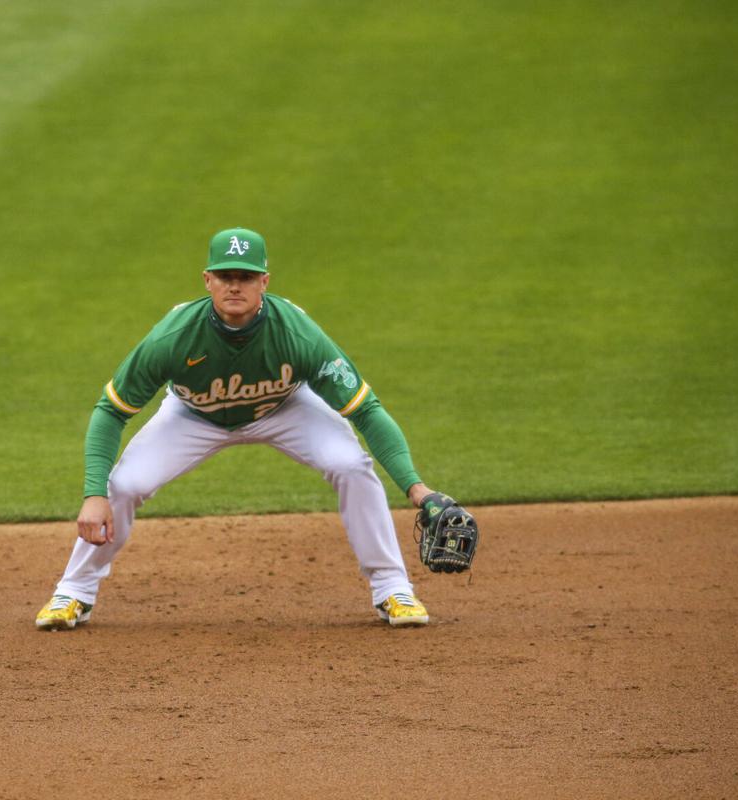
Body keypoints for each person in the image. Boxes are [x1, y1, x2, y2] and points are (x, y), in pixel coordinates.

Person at [36, 227, 443, 631]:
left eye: (246, 277)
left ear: (264, 282)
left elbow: (366, 410)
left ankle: (392, 587)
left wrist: (416, 488)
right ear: (207, 280)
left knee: (351, 464)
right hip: (193, 414)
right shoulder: (173, 337)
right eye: (226, 276)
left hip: (285, 409)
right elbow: (111, 410)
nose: (235, 286)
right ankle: (74, 591)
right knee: (124, 486)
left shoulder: (296, 334)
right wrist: (93, 493)